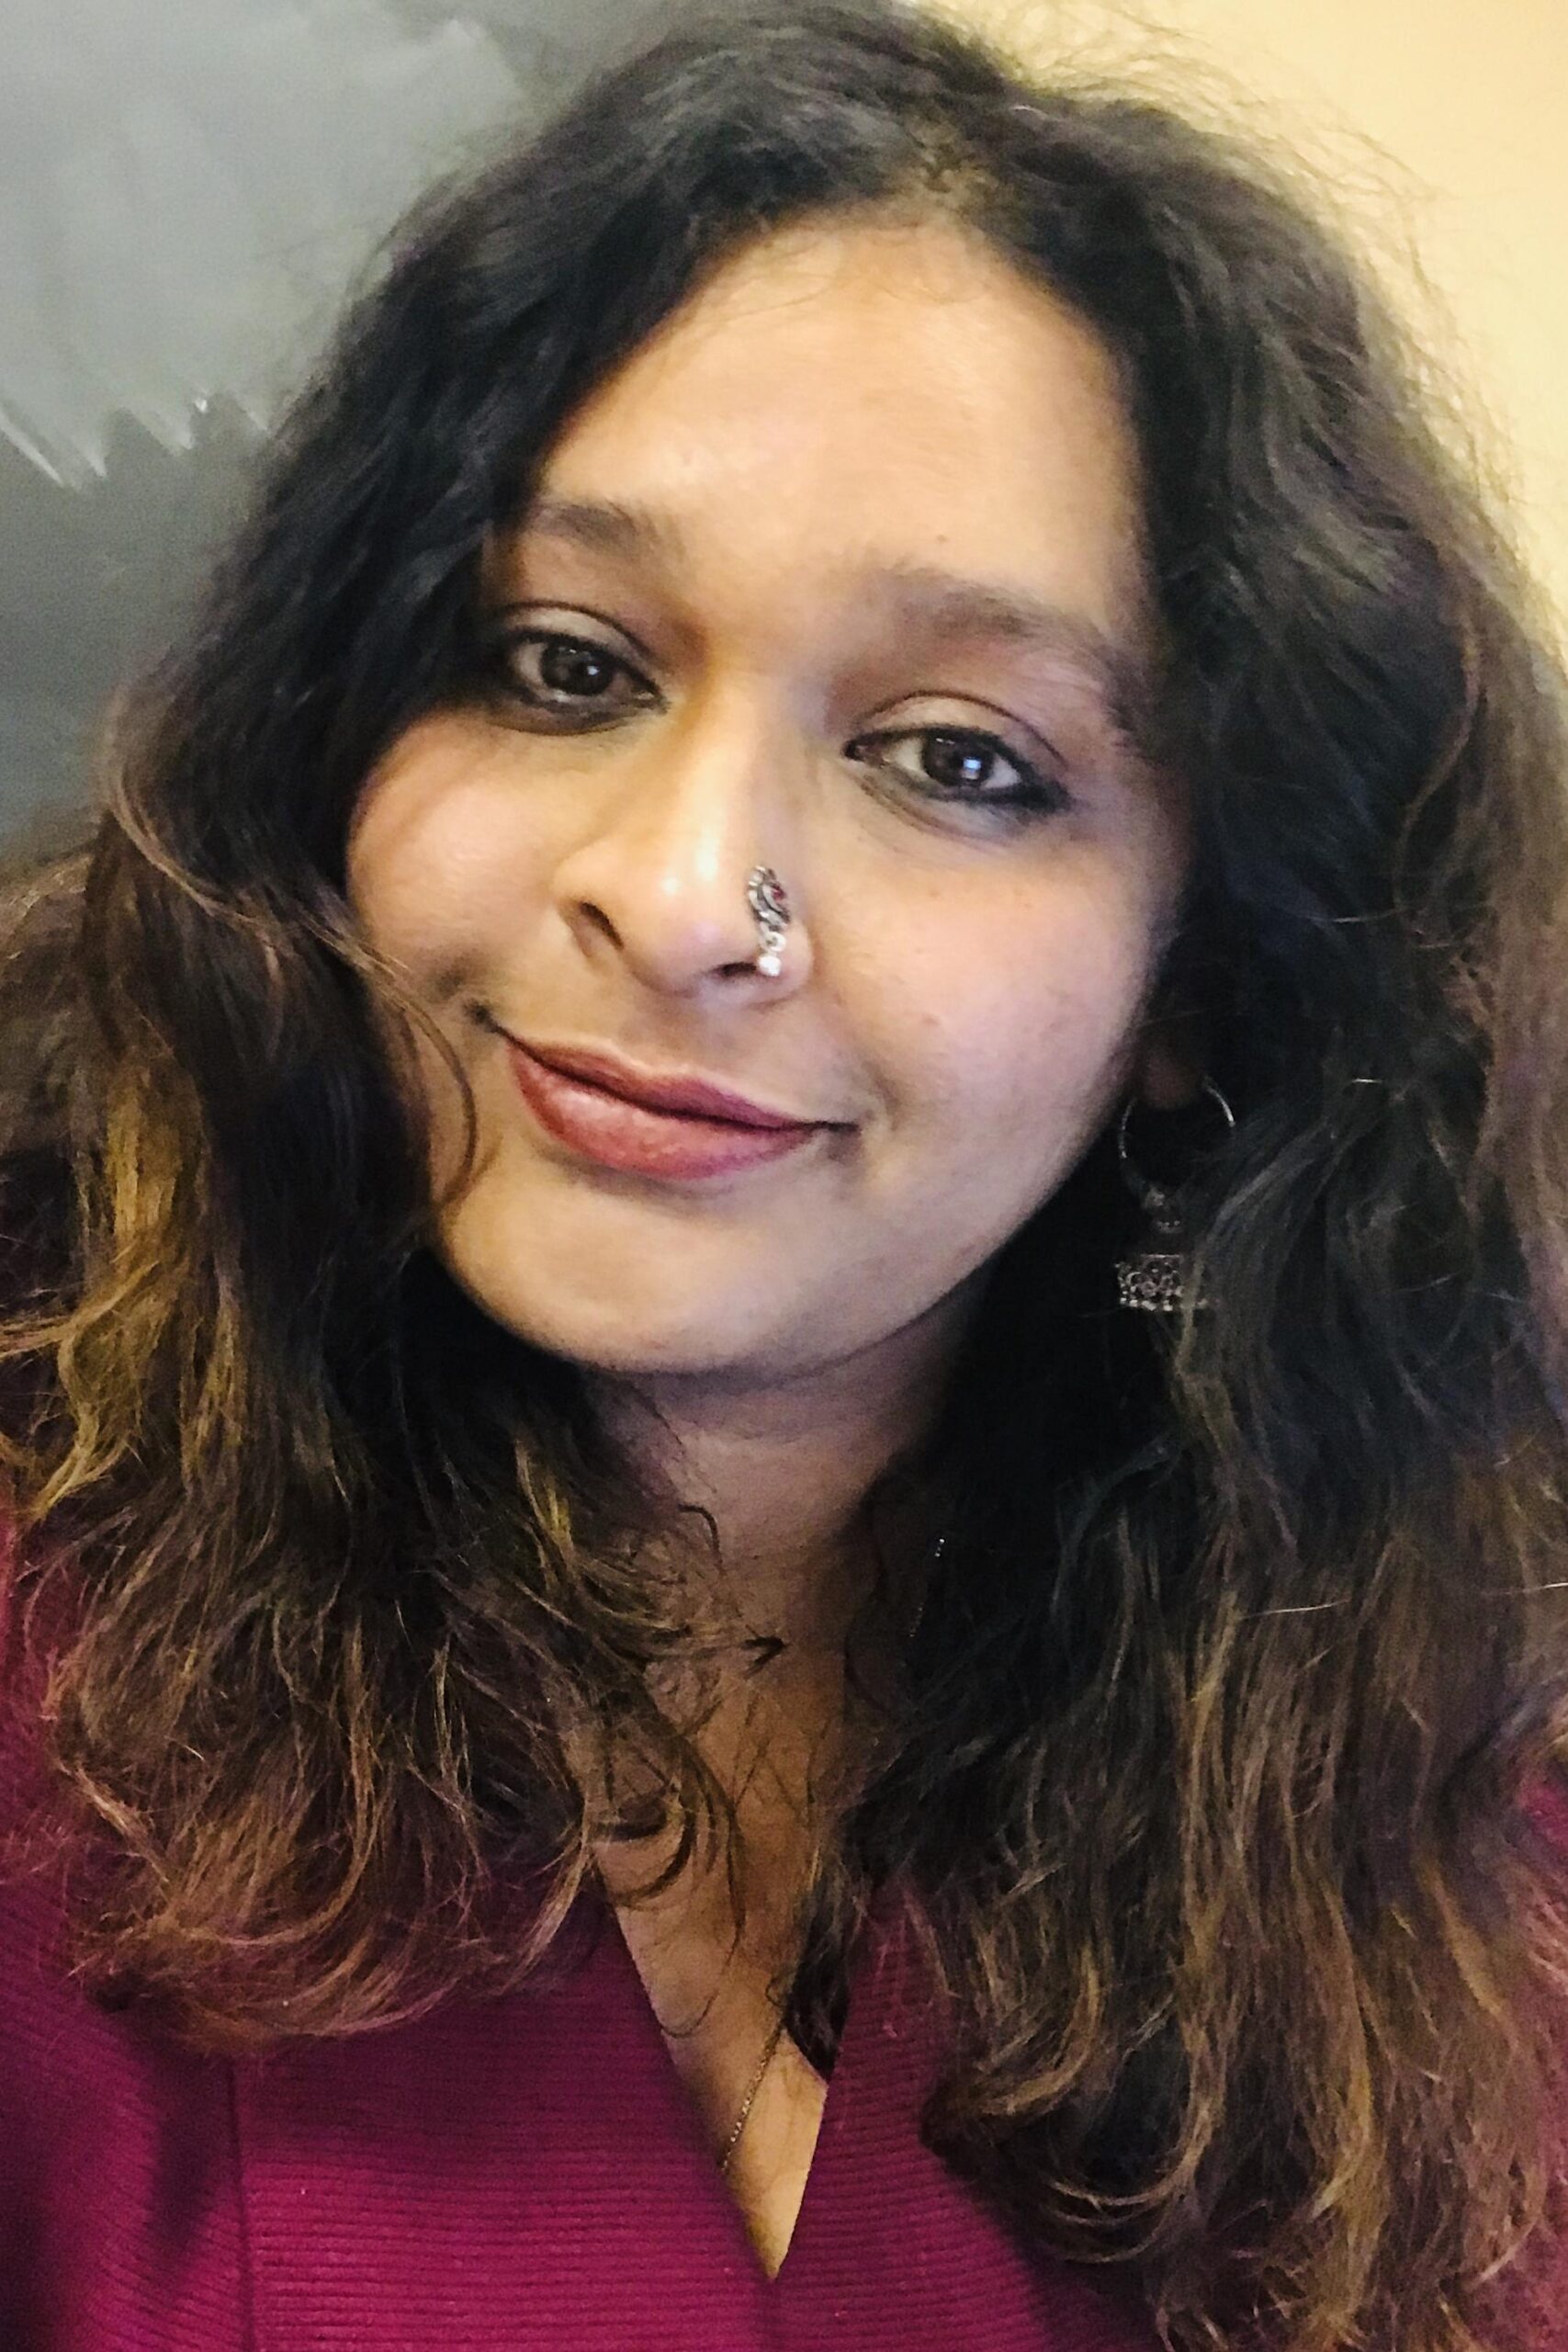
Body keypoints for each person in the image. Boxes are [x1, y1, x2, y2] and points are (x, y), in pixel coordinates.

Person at [2, 0, 1568, 2344]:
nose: (682, 893)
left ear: (1197, 988)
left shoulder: (1457, 1781)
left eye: (957, 757)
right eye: (559, 662)